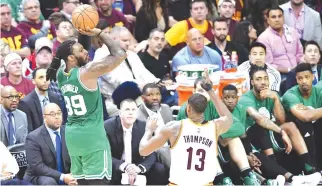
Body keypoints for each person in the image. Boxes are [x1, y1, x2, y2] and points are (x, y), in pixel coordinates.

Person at [46, 26, 127, 184]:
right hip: (92, 138)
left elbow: (71, 51)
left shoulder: (60, 73)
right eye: (81, 51)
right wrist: (100, 33)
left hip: (73, 138)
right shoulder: (87, 72)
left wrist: (83, 33)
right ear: (71, 58)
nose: (86, 52)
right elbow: (120, 54)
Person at [139, 71, 234, 185]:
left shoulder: (174, 128)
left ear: (187, 109)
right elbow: (228, 118)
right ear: (204, 110)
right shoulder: (215, 127)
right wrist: (210, 90)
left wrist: (148, 131)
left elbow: (143, 150)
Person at [221, 84, 322, 185]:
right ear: (221, 98)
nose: (230, 100)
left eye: (233, 97)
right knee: (247, 150)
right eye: (227, 97)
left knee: (258, 145)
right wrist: (246, 156)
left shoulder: (242, 108)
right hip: (224, 151)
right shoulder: (218, 111)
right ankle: (281, 179)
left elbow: (260, 119)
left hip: (242, 146)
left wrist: (281, 132)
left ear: (237, 98)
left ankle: (292, 177)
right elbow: (223, 141)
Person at [238, 66, 320, 177]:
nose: (263, 82)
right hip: (253, 138)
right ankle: (277, 173)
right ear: (252, 82)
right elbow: (259, 119)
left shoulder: (272, 95)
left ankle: (309, 168)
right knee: (261, 128)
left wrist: (276, 99)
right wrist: (281, 132)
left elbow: (281, 120)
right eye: (258, 79)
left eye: (266, 78)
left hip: (271, 134)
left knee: (291, 125)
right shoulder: (246, 99)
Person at [105, 82, 168, 185]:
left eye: (133, 110)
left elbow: (151, 153)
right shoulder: (108, 127)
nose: (130, 113)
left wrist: (139, 168)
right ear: (120, 112)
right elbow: (104, 155)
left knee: (159, 169)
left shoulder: (143, 126)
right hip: (118, 169)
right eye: (127, 110)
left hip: (137, 168)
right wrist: (125, 167)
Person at [282, 63, 322, 171]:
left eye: (307, 77)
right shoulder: (290, 95)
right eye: (300, 78)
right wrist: (313, 113)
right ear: (296, 79)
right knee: (304, 123)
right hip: (295, 132)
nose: (304, 81)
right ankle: (311, 168)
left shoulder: (319, 91)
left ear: (313, 77)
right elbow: (306, 117)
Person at [24, 103, 75, 185]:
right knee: (49, 182)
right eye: (52, 114)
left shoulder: (68, 132)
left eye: (59, 113)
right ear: (44, 117)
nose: (57, 117)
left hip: (66, 174)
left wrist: (73, 175)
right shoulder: (33, 138)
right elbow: (37, 167)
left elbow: (75, 157)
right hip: (39, 176)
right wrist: (62, 177)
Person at [257, 7, 303, 79]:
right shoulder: (263, 38)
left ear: (283, 18)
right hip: (279, 76)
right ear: (268, 20)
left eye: (280, 16)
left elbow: (299, 53)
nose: (277, 19)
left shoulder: (292, 32)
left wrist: (300, 67)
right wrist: (288, 70)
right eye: (273, 17)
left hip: (298, 71)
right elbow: (268, 64)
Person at [18, 68, 61, 132]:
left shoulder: (55, 98)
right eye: (41, 77)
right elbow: (29, 130)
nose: (45, 80)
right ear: (33, 81)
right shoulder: (26, 102)